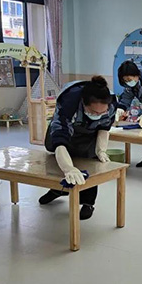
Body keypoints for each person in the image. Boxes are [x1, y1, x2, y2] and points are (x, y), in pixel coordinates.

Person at [39, 76, 115, 220]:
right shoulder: (69, 101)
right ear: (84, 104)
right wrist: (68, 168)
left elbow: (104, 127)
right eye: (94, 112)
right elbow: (60, 140)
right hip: (66, 132)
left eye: (102, 113)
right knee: (59, 162)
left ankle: (88, 203)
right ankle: (58, 190)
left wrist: (101, 150)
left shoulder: (111, 103)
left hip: (89, 133)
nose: (98, 115)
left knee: (89, 163)